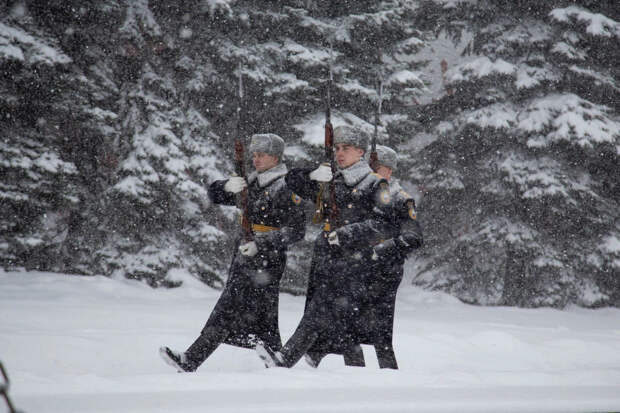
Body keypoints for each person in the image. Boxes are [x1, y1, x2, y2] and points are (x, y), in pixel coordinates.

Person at [160, 133, 306, 372]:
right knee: (262, 313)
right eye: (254, 154)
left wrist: (262, 243)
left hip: (267, 259)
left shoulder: (287, 186)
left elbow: (296, 230)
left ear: (276, 157)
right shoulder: (251, 182)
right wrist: (225, 186)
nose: (256, 159)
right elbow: (215, 195)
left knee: (228, 307)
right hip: (244, 254)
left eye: (262, 154)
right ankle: (275, 358)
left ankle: (191, 358)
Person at [255, 125, 397, 368]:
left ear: (361, 152)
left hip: (353, 261)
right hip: (326, 257)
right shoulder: (333, 179)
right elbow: (292, 180)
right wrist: (313, 175)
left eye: (347, 149)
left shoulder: (374, 185)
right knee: (339, 318)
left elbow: (385, 224)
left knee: (319, 309)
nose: (340, 153)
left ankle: (284, 359)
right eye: (338, 148)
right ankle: (353, 367)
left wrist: (347, 234)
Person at [305, 145, 423, 369]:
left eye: (380, 169)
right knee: (346, 321)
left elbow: (413, 236)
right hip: (360, 265)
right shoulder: (369, 192)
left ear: (390, 171)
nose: (375, 173)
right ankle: (334, 361)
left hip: (384, 272)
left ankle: (387, 372)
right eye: (372, 168)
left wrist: (383, 250)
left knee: (379, 332)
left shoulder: (399, 199)